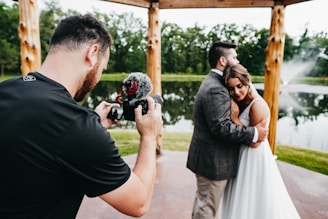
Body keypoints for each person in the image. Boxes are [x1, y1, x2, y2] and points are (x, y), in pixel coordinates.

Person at [0, 14, 163, 218]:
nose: (99, 76)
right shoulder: (75, 126)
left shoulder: (6, 88)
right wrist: (149, 136)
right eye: (102, 69)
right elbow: (139, 203)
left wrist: (91, 127)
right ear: (92, 53)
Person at [186, 41, 268, 219]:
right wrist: (254, 133)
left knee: (203, 202)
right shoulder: (216, 88)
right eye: (234, 57)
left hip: (209, 158)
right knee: (206, 208)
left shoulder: (216, 82)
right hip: (213, 161)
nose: (238, 61)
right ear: (223, 61)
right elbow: (221, 127)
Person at [220, 63, 300, 219]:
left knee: (253, 200)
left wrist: (235, 118)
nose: (236, 92)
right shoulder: (240, 101)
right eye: (231, 88)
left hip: (253, 159)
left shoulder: (257, 106)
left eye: (239, 86)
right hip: (241, 157)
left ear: (247, 81)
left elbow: (255, 142)